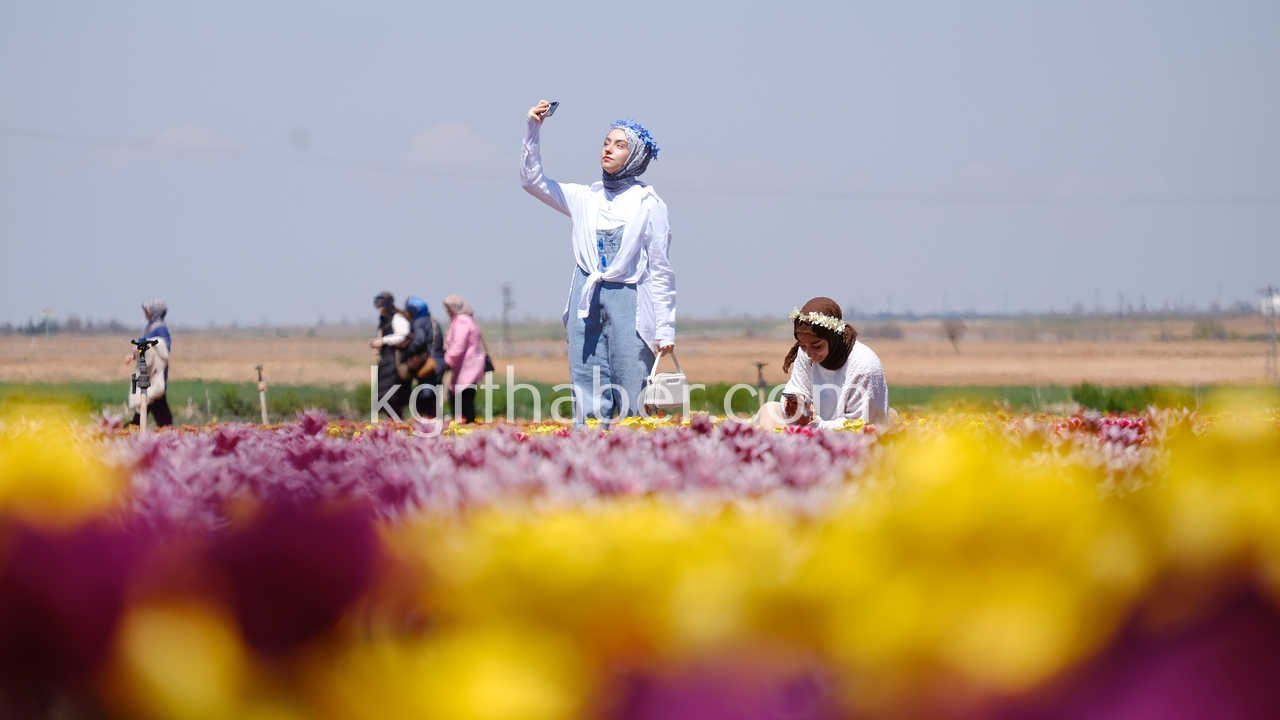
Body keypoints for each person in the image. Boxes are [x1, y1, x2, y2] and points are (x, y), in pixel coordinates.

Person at [521, 99, 676, 424]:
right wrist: (533, 129)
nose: (608, 150)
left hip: (629, 297)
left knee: (631, 380)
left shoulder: (649, 204)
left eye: (619, 146)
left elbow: (661, 269)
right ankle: (590, 450)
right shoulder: (585, 197)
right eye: (606, 143)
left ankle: (635, 451)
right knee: (586, 379)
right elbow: (532, 181)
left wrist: (665, 328)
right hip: (586, 293)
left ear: (634, 156)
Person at [755, 297, 890, 430]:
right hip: (813, 427)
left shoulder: (864, 366)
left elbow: (860, 425)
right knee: (769, 411)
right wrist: (797, 406)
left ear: (832, 338)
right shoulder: (807, 354)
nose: (809, 353)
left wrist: (817, 425)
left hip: (851, 438)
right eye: (802, 346)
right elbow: (797, 388)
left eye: (817, 346)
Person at [125, 298, 173, 427]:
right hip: (150, 372)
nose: (145, 313)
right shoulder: (151, 327)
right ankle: (135, 428)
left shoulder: (160, 329)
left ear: (155, 312)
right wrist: (134, 354)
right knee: (154, 404)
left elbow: (163, 347)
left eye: (147, 311)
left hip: (155, 371)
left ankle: (133, 429)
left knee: (151, 401)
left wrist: (140, 349)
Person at [442, 294, 486, 424]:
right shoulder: (467, 320)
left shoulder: (461, 321)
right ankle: (467, 425)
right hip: (469, 366)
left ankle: (464, 427)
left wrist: (447, 361)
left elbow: (458, 345)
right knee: (466, 396)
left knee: (460, 399)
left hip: (466, 367)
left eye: (448, 308)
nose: (447, 311)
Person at [370, 291, 412, 421]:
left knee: (390, 396)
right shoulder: (384, 319)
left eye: (381, 306)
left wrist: (383, 341)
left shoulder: (397, 318)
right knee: (385, 397)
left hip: (395, 363)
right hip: (386, 362)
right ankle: (394, 424)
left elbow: (402, 335)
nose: (379, 309)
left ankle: (397, 424)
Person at [403, 295, 445, 419]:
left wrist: (408, 352)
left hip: (428, 364)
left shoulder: (419, 322)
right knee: (434, 396)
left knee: (425, 396)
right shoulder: (434, 321)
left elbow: (420, 340)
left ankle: (426, 427)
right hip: (439, 362)